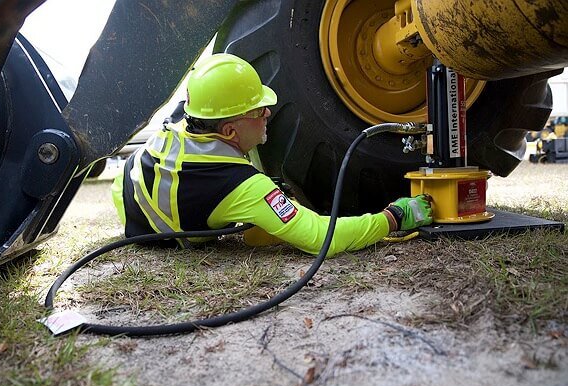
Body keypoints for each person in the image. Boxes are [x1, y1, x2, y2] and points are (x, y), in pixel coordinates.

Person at [111, 53, 433, 255]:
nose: (268, 112)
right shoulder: (241, 185)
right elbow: (323, 237)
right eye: (257, 110)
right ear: (228, 132)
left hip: (128, 187)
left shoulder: (189, 118)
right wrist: (394, 217)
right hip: (149, 232)